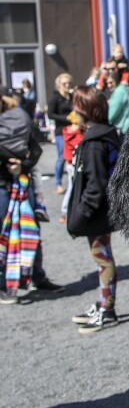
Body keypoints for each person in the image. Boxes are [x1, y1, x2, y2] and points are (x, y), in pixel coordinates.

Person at [66, 86, 121, 334]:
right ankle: (102, 303)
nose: (72, 113)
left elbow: (96, 186)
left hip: (98, 212)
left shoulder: (96, 142)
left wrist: (80, 217)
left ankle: (107, 310)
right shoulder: (99, 136)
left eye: (76, 109)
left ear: (86, 111)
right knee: (102, 255)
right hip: (100, 210)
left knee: (102, 257)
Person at [0, 94, 44, 304]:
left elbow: (36, 149)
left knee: (31, 231)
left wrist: (21, 166)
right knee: (4, 236)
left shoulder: (17, 120)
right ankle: (5, 285)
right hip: (4, 185)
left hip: (21, 183)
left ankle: (37, 276)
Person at [47, 73, 74, 194]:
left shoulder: (72, 96)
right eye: (64, 83)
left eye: (69, 83)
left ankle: (72, 182)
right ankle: (58, 183)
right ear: (59, 85)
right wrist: (66, 118)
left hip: (73, 130)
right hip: (61, 131)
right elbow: (50, 114)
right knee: (62, 157)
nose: (67, 85)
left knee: (73, 157)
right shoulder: (55, 97)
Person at [105, 70, 129, 137]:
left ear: (116, 80)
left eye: (111, 82)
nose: (109, 85)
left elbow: (112, 115)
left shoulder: (118, 92)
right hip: (125, 127)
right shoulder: (122, 90)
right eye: (107, 83)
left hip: (122, 129)